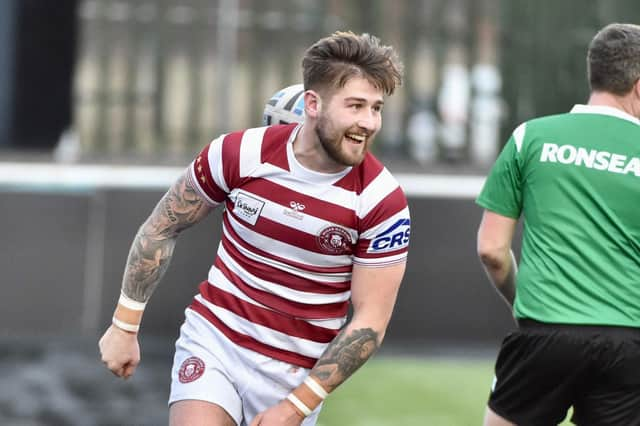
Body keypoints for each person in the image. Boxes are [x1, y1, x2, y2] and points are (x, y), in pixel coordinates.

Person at [99, 31, 410, 426]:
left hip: (297, 376)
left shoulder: (382, 200)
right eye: (356, 106)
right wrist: (124, 325)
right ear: (313, 104)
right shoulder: (239, 153)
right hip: (215, 341)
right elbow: (161, 227)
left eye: (376, 108)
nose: (368, 122)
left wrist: (296, 407)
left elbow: (370, 322)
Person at [476, 23, 640, 426]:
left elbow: (492, 251)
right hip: (630, 342)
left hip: (544, 330)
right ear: (639, 85)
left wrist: (525, 305)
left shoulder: (530, 137)